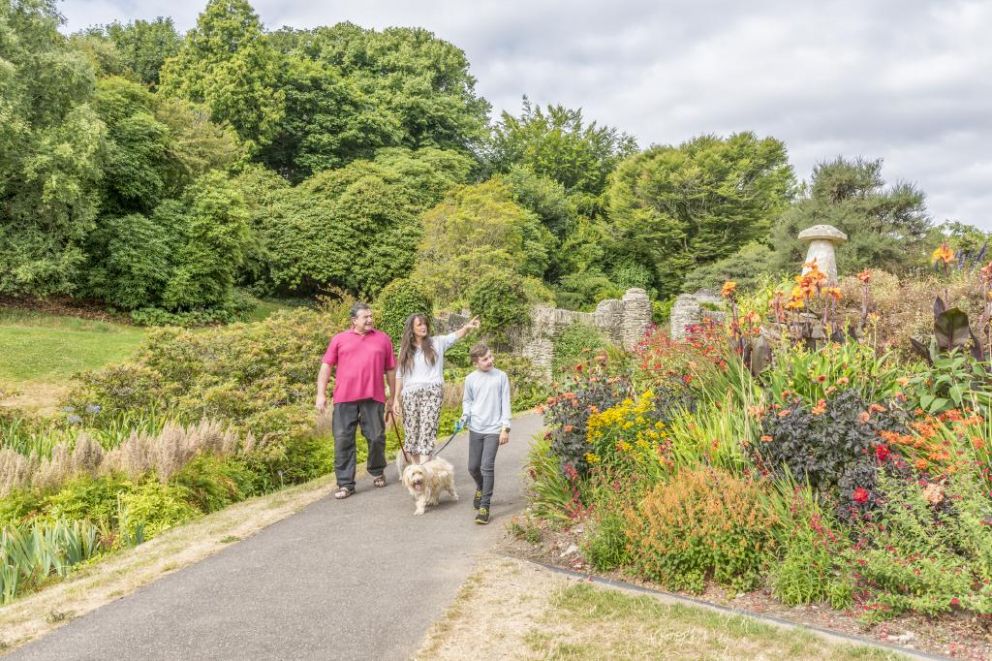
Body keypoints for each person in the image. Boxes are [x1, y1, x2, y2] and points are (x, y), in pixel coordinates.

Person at [315, 302, 396, 500]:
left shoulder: (383, 339)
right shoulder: (339, 339)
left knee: (376, 437)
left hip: (373, 396)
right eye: (365, 317)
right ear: (354, 321)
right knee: (343, 440)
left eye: (371, 316)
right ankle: (345, 484)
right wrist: (321, 394)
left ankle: (377, 470)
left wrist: (393, 397)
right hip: (344, 399)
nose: (370, 320)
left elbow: (391, 370)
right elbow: (326, 366)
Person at [393, 314, 479, 464]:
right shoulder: (405, 350)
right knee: (412, 433)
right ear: (411, 329)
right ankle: (416, 470)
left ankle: (424, 469)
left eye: (425, 324)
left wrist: (467, 328)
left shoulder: (437, 343)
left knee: (427, 431)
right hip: (410, 395)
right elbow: (399, 375)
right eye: (419, 324)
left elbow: (455, 335)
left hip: (432, 392)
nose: (423, 327)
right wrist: (395, 399)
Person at [460, 342, 511, 525]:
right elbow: (468, 401)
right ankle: (481, 487)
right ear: (476, 363)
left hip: (494, 429)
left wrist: (505, 428)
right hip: (475, 428)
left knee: (486, 466)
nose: (490, 361)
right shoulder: (470, 379)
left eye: (490, 356)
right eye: (485, 359)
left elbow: (506, 403)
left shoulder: (501, 377)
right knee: (473, 467)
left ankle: (485, 506)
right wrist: (465, 416)